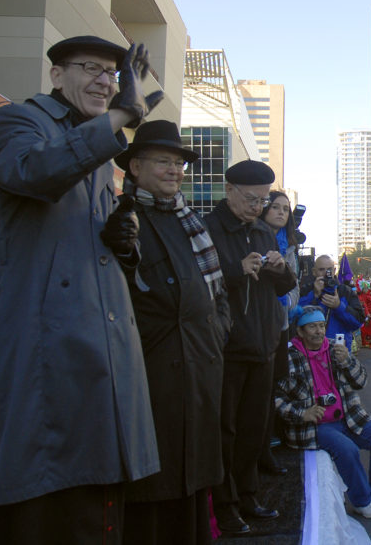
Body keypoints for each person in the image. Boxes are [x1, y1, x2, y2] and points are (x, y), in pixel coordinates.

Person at [0, 36, 163, 544]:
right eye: (91, 68)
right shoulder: (14, 122)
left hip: (100, 344)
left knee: (97, 493)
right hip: (44, 346)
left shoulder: (93, 142)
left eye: (113, 74)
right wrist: (119, 117)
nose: (105, 81)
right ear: (55, 76)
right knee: (40, 495)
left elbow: (86, 239)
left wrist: (122, 240)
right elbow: (37, 172)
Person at [114, 121, 231, 544]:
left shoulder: (189, 221)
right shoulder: (121, 220)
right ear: (135, 167)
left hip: (199, 373)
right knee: (154, 490)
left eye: (179, 162)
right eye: (164, 161)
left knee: (194, 487)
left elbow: (217, 297)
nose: (175, 170)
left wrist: (217, 333)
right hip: (152, 380)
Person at [205, 160, 297, 536]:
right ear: (229, 190)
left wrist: (278, 268)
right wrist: (236, 269)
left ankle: (248, 494)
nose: (257, 206)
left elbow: (285, 285)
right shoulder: (208, 229)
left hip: (263, 343)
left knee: (253, 429)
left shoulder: (262, 231)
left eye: (262, 200)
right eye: (250, 199)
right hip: (227, 347)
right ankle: (224, 505)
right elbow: (197, 284)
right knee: (224, 432)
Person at [275, 306, 371, 519]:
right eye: (312, 327)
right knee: (347, 449)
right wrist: (301, 414)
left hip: (348, 418)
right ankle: (362, 501)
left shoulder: (335, 348)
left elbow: (361, 382)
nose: (319, 331)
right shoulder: (289, 357)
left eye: (321, 326)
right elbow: (276, 399)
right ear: (300, 331)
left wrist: (347, 361)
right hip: (315, 426)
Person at [256, 190, 301, 477]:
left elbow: (294, 286)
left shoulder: (290, 250)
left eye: (285, 208)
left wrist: (284, 303)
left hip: (281, 323)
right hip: (257, 323)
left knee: (274, 384)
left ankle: (269, 441)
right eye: (275, 207)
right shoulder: (254, 237)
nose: (281, 212)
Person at [298, 255, 364, 352]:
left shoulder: (345, 291)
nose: (326, 274)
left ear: (334, 270)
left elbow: (358, 323)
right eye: (321, 270)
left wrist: (339, 307)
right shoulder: (306, 290)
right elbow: (296, 318)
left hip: (338, 351)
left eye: (329, 270)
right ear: (314, 272)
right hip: (310, 351)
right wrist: (314, 296)